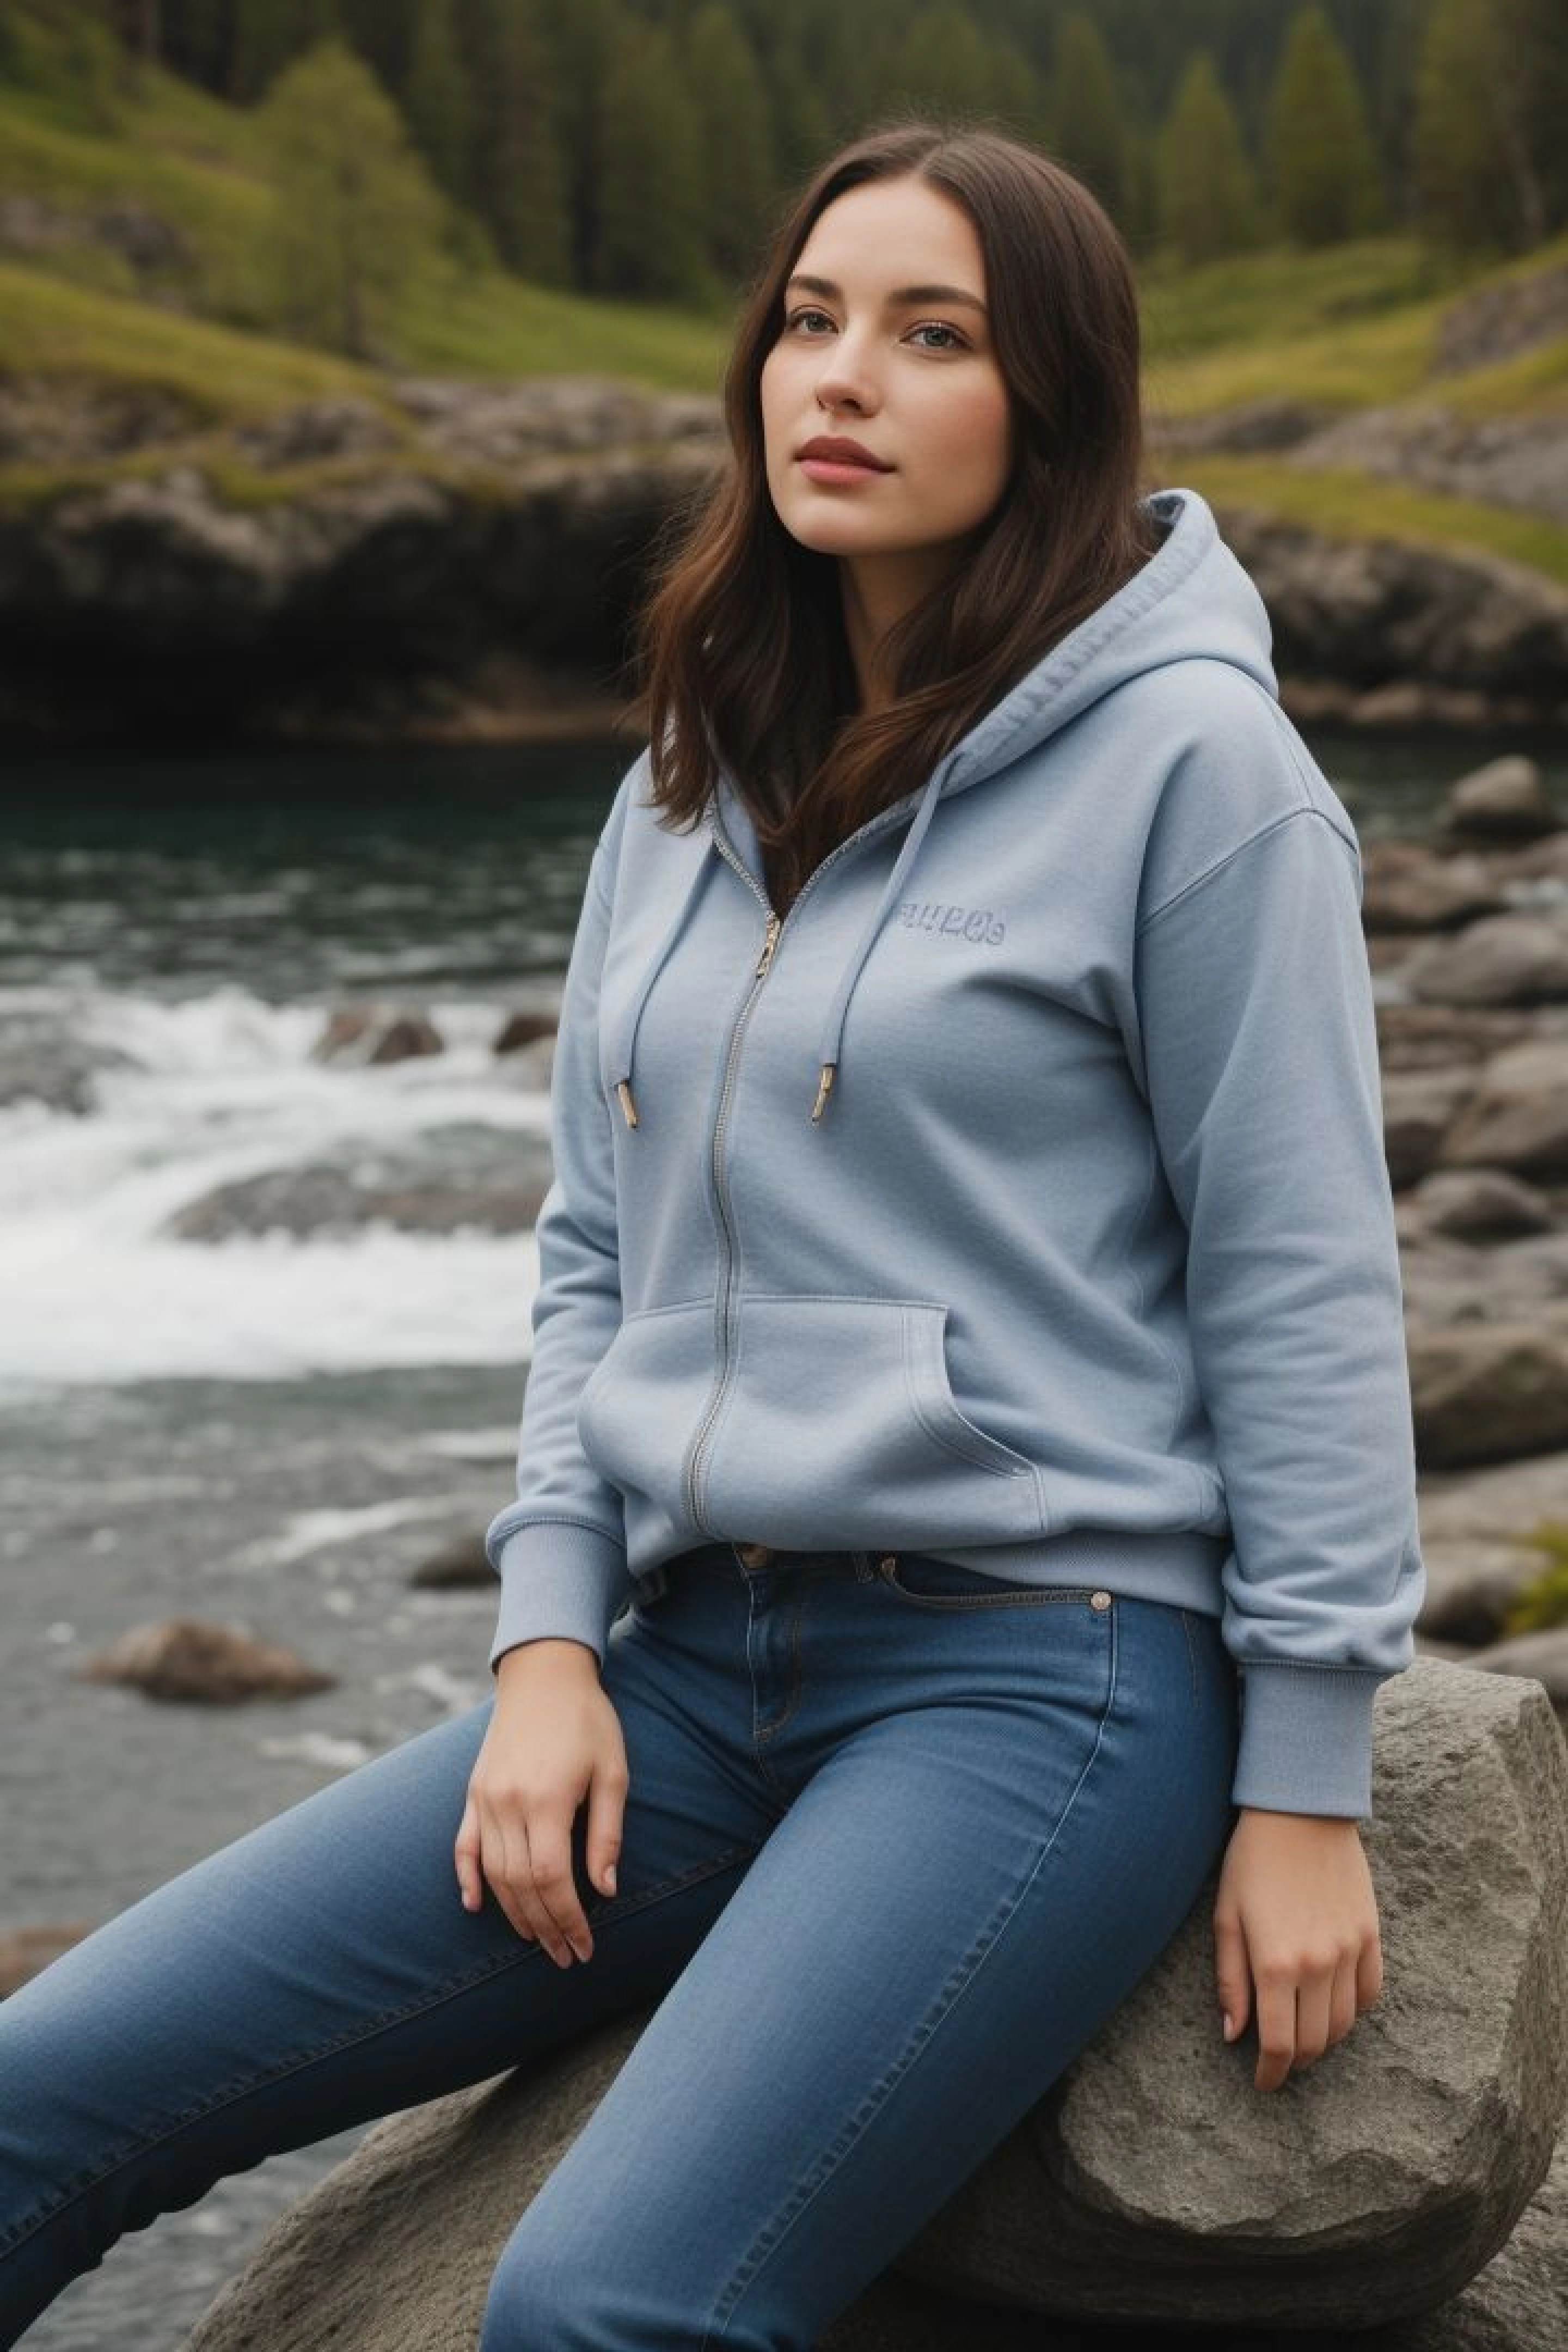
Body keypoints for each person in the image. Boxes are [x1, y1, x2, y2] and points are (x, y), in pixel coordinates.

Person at [0, 118, 1424, 2352]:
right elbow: (598, 1253)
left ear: (1049, 405)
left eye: (930, 336)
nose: (838, 379)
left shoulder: (1202, 778)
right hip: (677, 1658)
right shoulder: (686, 774)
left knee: (602, 2308)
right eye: (810, 318)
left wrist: (1308, 1784)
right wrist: (545, 1646)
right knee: (29, 2097)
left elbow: (1308, 1283)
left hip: (1040, 1673)